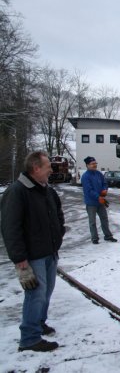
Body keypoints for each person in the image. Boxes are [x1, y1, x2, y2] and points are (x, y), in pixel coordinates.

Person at [0, 151, 66, 352]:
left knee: (46, 292)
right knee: (35, 294)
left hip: (50, 252)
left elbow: (58, 215)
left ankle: (39, 323)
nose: (51, 170)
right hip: (32, 257)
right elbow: (10, 228)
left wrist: (58, 235)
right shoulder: (17, 192)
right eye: (48, 166)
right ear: (36, 168)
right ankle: (29, 338)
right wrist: (19, 259)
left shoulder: (47, 190)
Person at [81, 156, 117, 244]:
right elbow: (89, 190)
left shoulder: (99, 174)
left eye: (95, 163)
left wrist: (105, 189)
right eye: (92, 164)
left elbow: (105, 183)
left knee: (104, 219)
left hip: (101, 202)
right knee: (92, 221)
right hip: (91, 203)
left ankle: (108, 236)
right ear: (87, 165)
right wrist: (98, 197)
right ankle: (94, 238)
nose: (95, 165)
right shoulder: (85, 176)